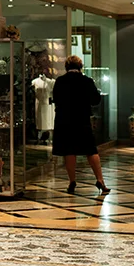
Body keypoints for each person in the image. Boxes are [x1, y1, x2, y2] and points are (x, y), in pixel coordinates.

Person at [52, 55, 109, 194]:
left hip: (64, 120)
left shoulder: (60, 81)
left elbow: (56, 99)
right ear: (80, 66)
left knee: (69, 151)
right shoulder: (87, 81)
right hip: (82, 119)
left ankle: (72, 181)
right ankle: (100, 180)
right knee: (91, 150)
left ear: (67, 67)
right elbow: (96, 100)